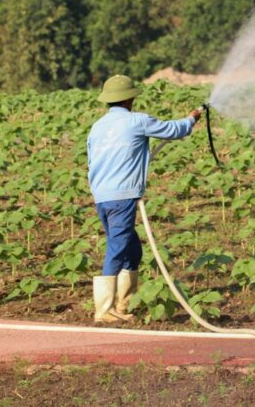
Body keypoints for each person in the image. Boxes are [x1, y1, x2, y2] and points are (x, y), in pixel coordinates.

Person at [86, 74, 202, 323]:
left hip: (102, 195)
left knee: (132, 250)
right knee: (117, 247)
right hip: (122, 195)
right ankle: (104, 310)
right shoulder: (136, 121)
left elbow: (90, 159)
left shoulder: (97, 127)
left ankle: (124, 304)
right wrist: (191, 118)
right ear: (129, 99)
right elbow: (172, 130)